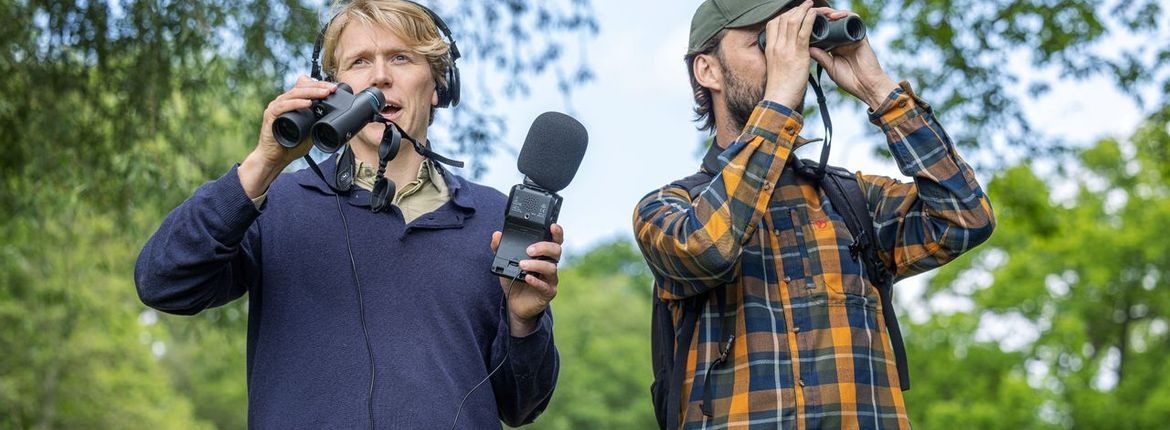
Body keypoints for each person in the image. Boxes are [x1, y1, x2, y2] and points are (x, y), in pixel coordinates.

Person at [135, 0, 561, 427]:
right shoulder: (274, 204)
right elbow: (163, 283)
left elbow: (521, 405)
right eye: (360, 62)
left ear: (437, 86)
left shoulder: (494, 219)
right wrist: (262, 163)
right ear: (332, 92)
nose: (380, 75)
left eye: (400, 57)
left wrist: (524, 322)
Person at [632, 0, 996, 428]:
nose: (789, 55)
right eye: (764, 43)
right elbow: (707, 246)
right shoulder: (667, 209)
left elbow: (966, 217)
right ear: (707, 70)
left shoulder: (853, 200)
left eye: (795, 39)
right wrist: (780, 100)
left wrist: (878, 89)